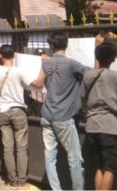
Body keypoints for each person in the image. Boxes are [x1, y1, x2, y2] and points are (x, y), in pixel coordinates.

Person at [33, 32, 88, 190]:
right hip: (64, 117)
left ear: (51, 46)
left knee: (50, 157)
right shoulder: (73, 64)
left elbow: (38, 83)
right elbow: (91, 74)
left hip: (46, 114)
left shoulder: (46, 63)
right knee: (74, 159)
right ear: (66, 45)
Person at [82, 42, 117, 190]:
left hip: (92, 126)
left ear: (97, 57)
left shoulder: (87, 75)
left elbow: (82, 95)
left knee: (99, 167)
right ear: (113, 59)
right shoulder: (115, 77)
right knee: (111, 168)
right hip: (110, 127)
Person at [0, 44, 35, 189]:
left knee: (7, 148)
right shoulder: (18, 71)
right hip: (18, 110)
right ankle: (22, 181)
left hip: (3, 111)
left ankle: (12, 180)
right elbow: (37, 83)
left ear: (0, 56)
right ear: (14, 56)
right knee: (21, 148)